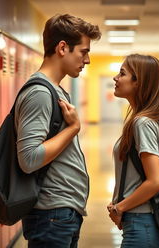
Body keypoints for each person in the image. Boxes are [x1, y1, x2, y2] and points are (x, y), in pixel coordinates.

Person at [15, 14, 101, 247]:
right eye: (84, 52)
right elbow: (29, 159)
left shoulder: (56, 91)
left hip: (61, 213)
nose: (88, 60)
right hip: (51, 215)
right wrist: (73, 128)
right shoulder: (40, 93)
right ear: (63, 48)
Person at [107, 54, 159, 248]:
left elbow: (155, 182)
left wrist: (119, 207)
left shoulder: (143, 123)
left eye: (122, 73)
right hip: (146, 223)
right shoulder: (152, 120)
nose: (115, 78)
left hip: (142, 223)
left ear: (138, 82)